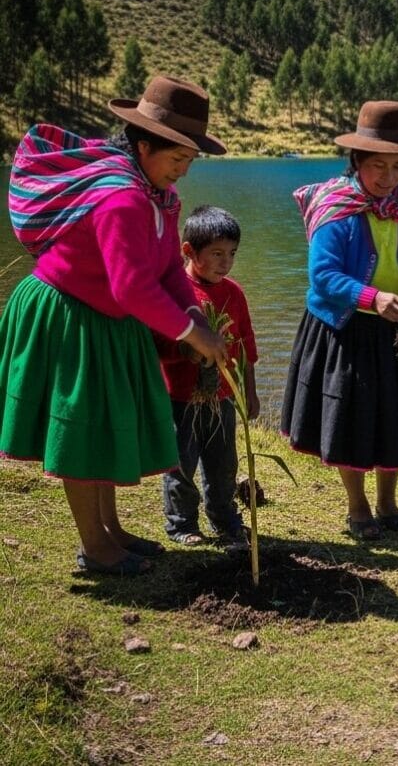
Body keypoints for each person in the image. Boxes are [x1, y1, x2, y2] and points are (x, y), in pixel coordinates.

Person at [0, 76, 229, 575]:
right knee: (84, 430)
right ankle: (94, 548)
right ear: (143, 145)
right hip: (70, 314)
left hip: (108, 319)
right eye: (176, 161)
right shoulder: (121, 198)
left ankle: (111, 530)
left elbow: (167, 270)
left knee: (103, 427)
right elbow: (131, 287)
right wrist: (194, 336)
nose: (183, 173)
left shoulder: (160, 197)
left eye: (190, 163)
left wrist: (191, 312)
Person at [280, 100, 398, 539]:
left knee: (394, 417)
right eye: (378, 166)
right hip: (346, 330)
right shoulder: (335, 206)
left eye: (397, 166)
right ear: (356, 161)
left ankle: (389, 504)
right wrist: (373, 298)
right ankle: (358, 508)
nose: (388, 177)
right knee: (353, 419)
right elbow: (323, 277)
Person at [157, 205, 259, 549]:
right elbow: (159, 343)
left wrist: (251, 393)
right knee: (181, 463)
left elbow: (245, 345)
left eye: (231, 254)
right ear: (188, 251)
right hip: (180, 397)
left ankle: (224, 517)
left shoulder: (235, 292)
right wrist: (188, 350)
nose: (225, 262)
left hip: (223, 397)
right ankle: (181, 522)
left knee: (224, 463)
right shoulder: (175, 291)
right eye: (216, 253)